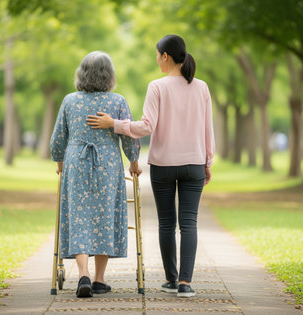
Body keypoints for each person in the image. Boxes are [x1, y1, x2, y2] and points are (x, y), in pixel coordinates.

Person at [87, 35, 215, 298]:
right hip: (194, 163)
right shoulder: (202, 87)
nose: (156, 59)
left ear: (165, 56)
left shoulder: (157, 87)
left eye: (157, 55)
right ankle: (184, 283)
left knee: (167, 222)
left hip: (163, 165)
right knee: (189, 222)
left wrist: (115, 124)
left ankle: (171, 278)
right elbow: (207, 130)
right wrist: (208, 162)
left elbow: (146, 126)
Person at [50, 51, 141, 298]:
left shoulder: (70, 101)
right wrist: (133, 161)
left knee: (79, 214)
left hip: (76, 162)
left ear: (82, 73)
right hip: (108, 164)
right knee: (105, 214)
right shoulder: (118, 101)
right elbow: (128, 135)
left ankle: (83, 274)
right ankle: (100, 279)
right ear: (108, 75)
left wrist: (59, 161)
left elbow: (58, 138)